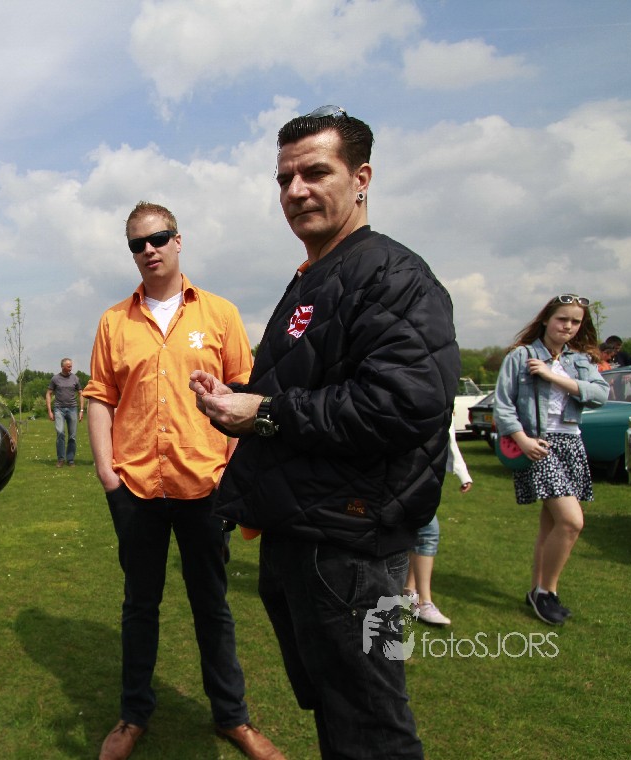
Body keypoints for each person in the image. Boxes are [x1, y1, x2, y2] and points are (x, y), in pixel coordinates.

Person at [190, 106, 460, 758]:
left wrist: (264, 412)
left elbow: (402, 405)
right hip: (307, 536)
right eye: (284, 178)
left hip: (354, 548)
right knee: (339, 712)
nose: (296, 191)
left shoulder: (394, 276)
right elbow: (307, 385)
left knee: (373, 724)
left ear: (361, 178)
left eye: (315, 173)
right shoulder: (316, 273)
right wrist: (240, 397)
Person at [85, 201, 284, 760]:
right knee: (139, 605)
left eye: (158, 238)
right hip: (136, 489)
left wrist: (233, 471)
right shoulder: (113, 321)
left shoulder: (219, 314)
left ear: (178, 240)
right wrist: (106, 473)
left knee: (212, 606)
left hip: (205, 486)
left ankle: (233, 718)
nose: (148, 250)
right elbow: (100, 397)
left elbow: (246, 393)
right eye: (137, 243)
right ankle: (133, 716)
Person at [495, 295, 608, 625]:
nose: (568, 326)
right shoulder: (521, 356)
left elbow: (600, 394)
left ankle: (538, 590)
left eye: (575, 321)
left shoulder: (579, 361)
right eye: (562, 319)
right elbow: (503, 405)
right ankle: (546, 592)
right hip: (539, 444)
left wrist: (552, 376)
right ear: (546, 319)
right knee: (572, 522)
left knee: (552, 524)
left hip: (571, 443)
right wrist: (522, 440)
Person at [404, 422, 473, 627]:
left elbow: (447, 435)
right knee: (428, 532)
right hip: (407, 473)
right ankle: (423, 602)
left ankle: (409, 591)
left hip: (422, 475)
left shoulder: (441, 404)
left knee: (418, 532)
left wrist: (462, 473)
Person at [46, 357, 85, 467]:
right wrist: (49, 411)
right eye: (68, 366)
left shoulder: (75, 378)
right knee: (60, 433)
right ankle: (61, 459)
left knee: (72, 436)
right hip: (59, 409)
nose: (70, 368)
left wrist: (81, 410)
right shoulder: (55, 379)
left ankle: (70, 459)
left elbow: (81, 393)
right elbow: (48, 393)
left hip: (72, 409)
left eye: (71, 366)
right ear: (62, 367)